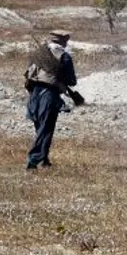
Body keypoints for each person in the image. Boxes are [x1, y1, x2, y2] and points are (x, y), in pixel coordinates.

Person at [23, 29, 82, 171]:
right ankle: (33, 161)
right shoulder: (64, 56)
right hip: (49, 94)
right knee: (46, 129)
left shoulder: (37, 53)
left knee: (40, 128)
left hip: (34, 93)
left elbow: (28, 73)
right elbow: (72, 81)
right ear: (64, 41)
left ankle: (44, 160)